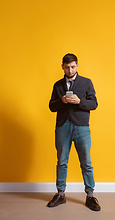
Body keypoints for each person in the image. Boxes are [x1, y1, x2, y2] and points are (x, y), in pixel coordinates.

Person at [47, 53, 101, 211]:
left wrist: (80, 102)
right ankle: (60, 194)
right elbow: (51, 106)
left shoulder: (86, 82)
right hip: (62, 126)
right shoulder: (57, 85)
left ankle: (90, 196)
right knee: (62, 162)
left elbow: (94, 103)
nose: (70, 70)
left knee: (86, 163)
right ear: (62, 66)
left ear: (77, 66)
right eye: (67, 67)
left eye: (73, 67)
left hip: (82, 126)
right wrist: (62, 101)